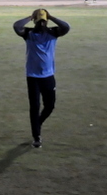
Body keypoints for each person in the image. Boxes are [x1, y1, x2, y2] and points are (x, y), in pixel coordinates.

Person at [13, 9, 71, 148]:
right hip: (32, 77)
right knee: (35, 107)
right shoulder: (29, 34)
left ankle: (37, 123)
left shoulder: (53, 33)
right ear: (35, 21)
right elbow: (16, 26)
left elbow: (67, 27)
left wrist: (51, 16)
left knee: (50, 106)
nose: (42, 23)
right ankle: (36, 136)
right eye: (40, 21)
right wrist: (30, 16)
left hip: (48, 76)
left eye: (44, 21)